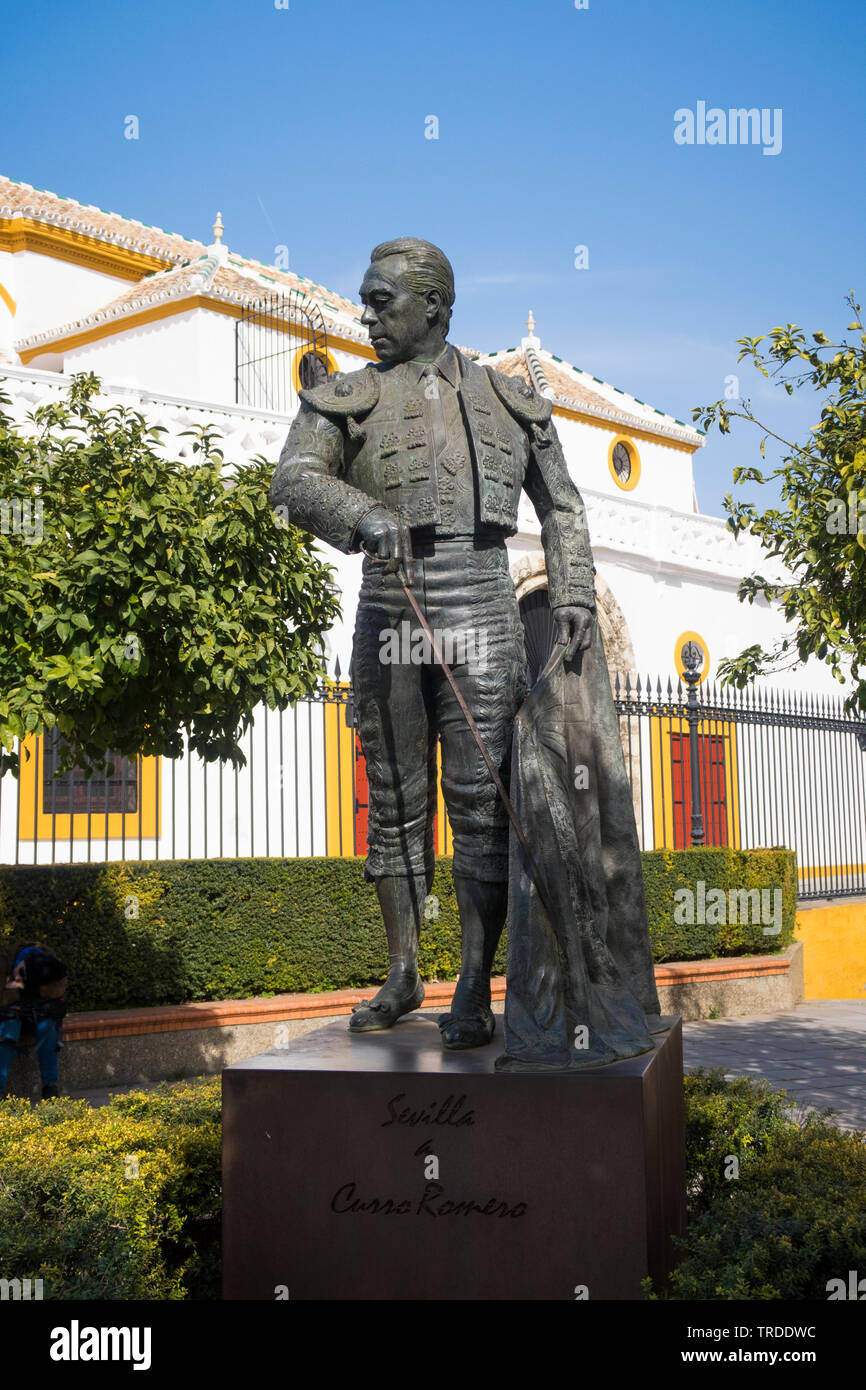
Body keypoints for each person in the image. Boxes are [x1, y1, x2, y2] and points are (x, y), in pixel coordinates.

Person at [270, 237, 595, 1050]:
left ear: (435, 309)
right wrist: (361, 514)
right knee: (394, 800)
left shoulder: (510, 399)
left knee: (483, 804)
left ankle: (476, 988)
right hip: (391, 603)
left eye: (382, 301)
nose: (366, 314)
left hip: (482, 604)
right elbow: (293, 482)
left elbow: (562, 506)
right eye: (366, 299)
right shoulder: (342, 396)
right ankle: (404, 971)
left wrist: (577, 591)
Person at [0, 945, 68, 1099]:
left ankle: (50, 1087)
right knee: (9, 1030)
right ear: (21, 963)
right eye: (20, 974)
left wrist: (24, 988)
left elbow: (58, 991)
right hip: (7, 1015)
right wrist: (20, 991)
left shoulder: (50, 965)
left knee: (48, 1029)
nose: (18, 978)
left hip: (34, 1013)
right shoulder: (4, 959)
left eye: (24, 978)